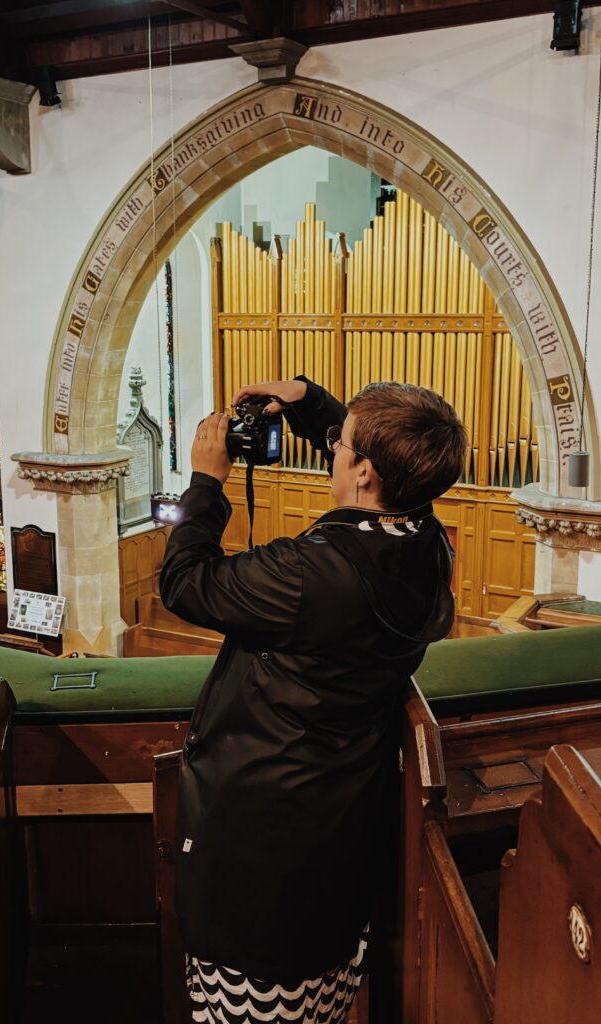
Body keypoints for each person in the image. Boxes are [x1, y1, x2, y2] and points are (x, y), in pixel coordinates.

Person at [159, 375, 467, 1024]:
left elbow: (184, 582)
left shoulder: (308, 574)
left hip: (261, 855)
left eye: (340, 446)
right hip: (337, 837)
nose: (331, 451)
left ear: (362, 473)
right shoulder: (430, 547)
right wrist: (312, 404)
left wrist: (206, 485)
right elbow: (375, 459)